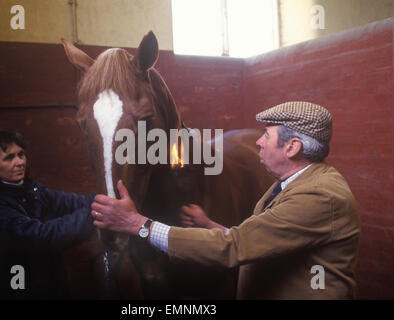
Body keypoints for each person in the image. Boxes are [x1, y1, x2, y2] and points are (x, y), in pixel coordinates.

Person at [91, 101, 361, 299]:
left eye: (266, 136)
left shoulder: (319, 196)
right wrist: (213, 226)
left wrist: (138, 224)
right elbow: (263, 239)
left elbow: (233, 248)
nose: (259, 142)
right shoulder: (289, 183)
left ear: (292, 147)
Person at [0, 130, 96, 299]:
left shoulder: (33, 189)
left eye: (21, 155)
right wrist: (98, 213)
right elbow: (41, 237)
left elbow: (71, 202)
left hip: (52, 289)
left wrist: (109, 197)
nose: (19, 162)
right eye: (9, 158)